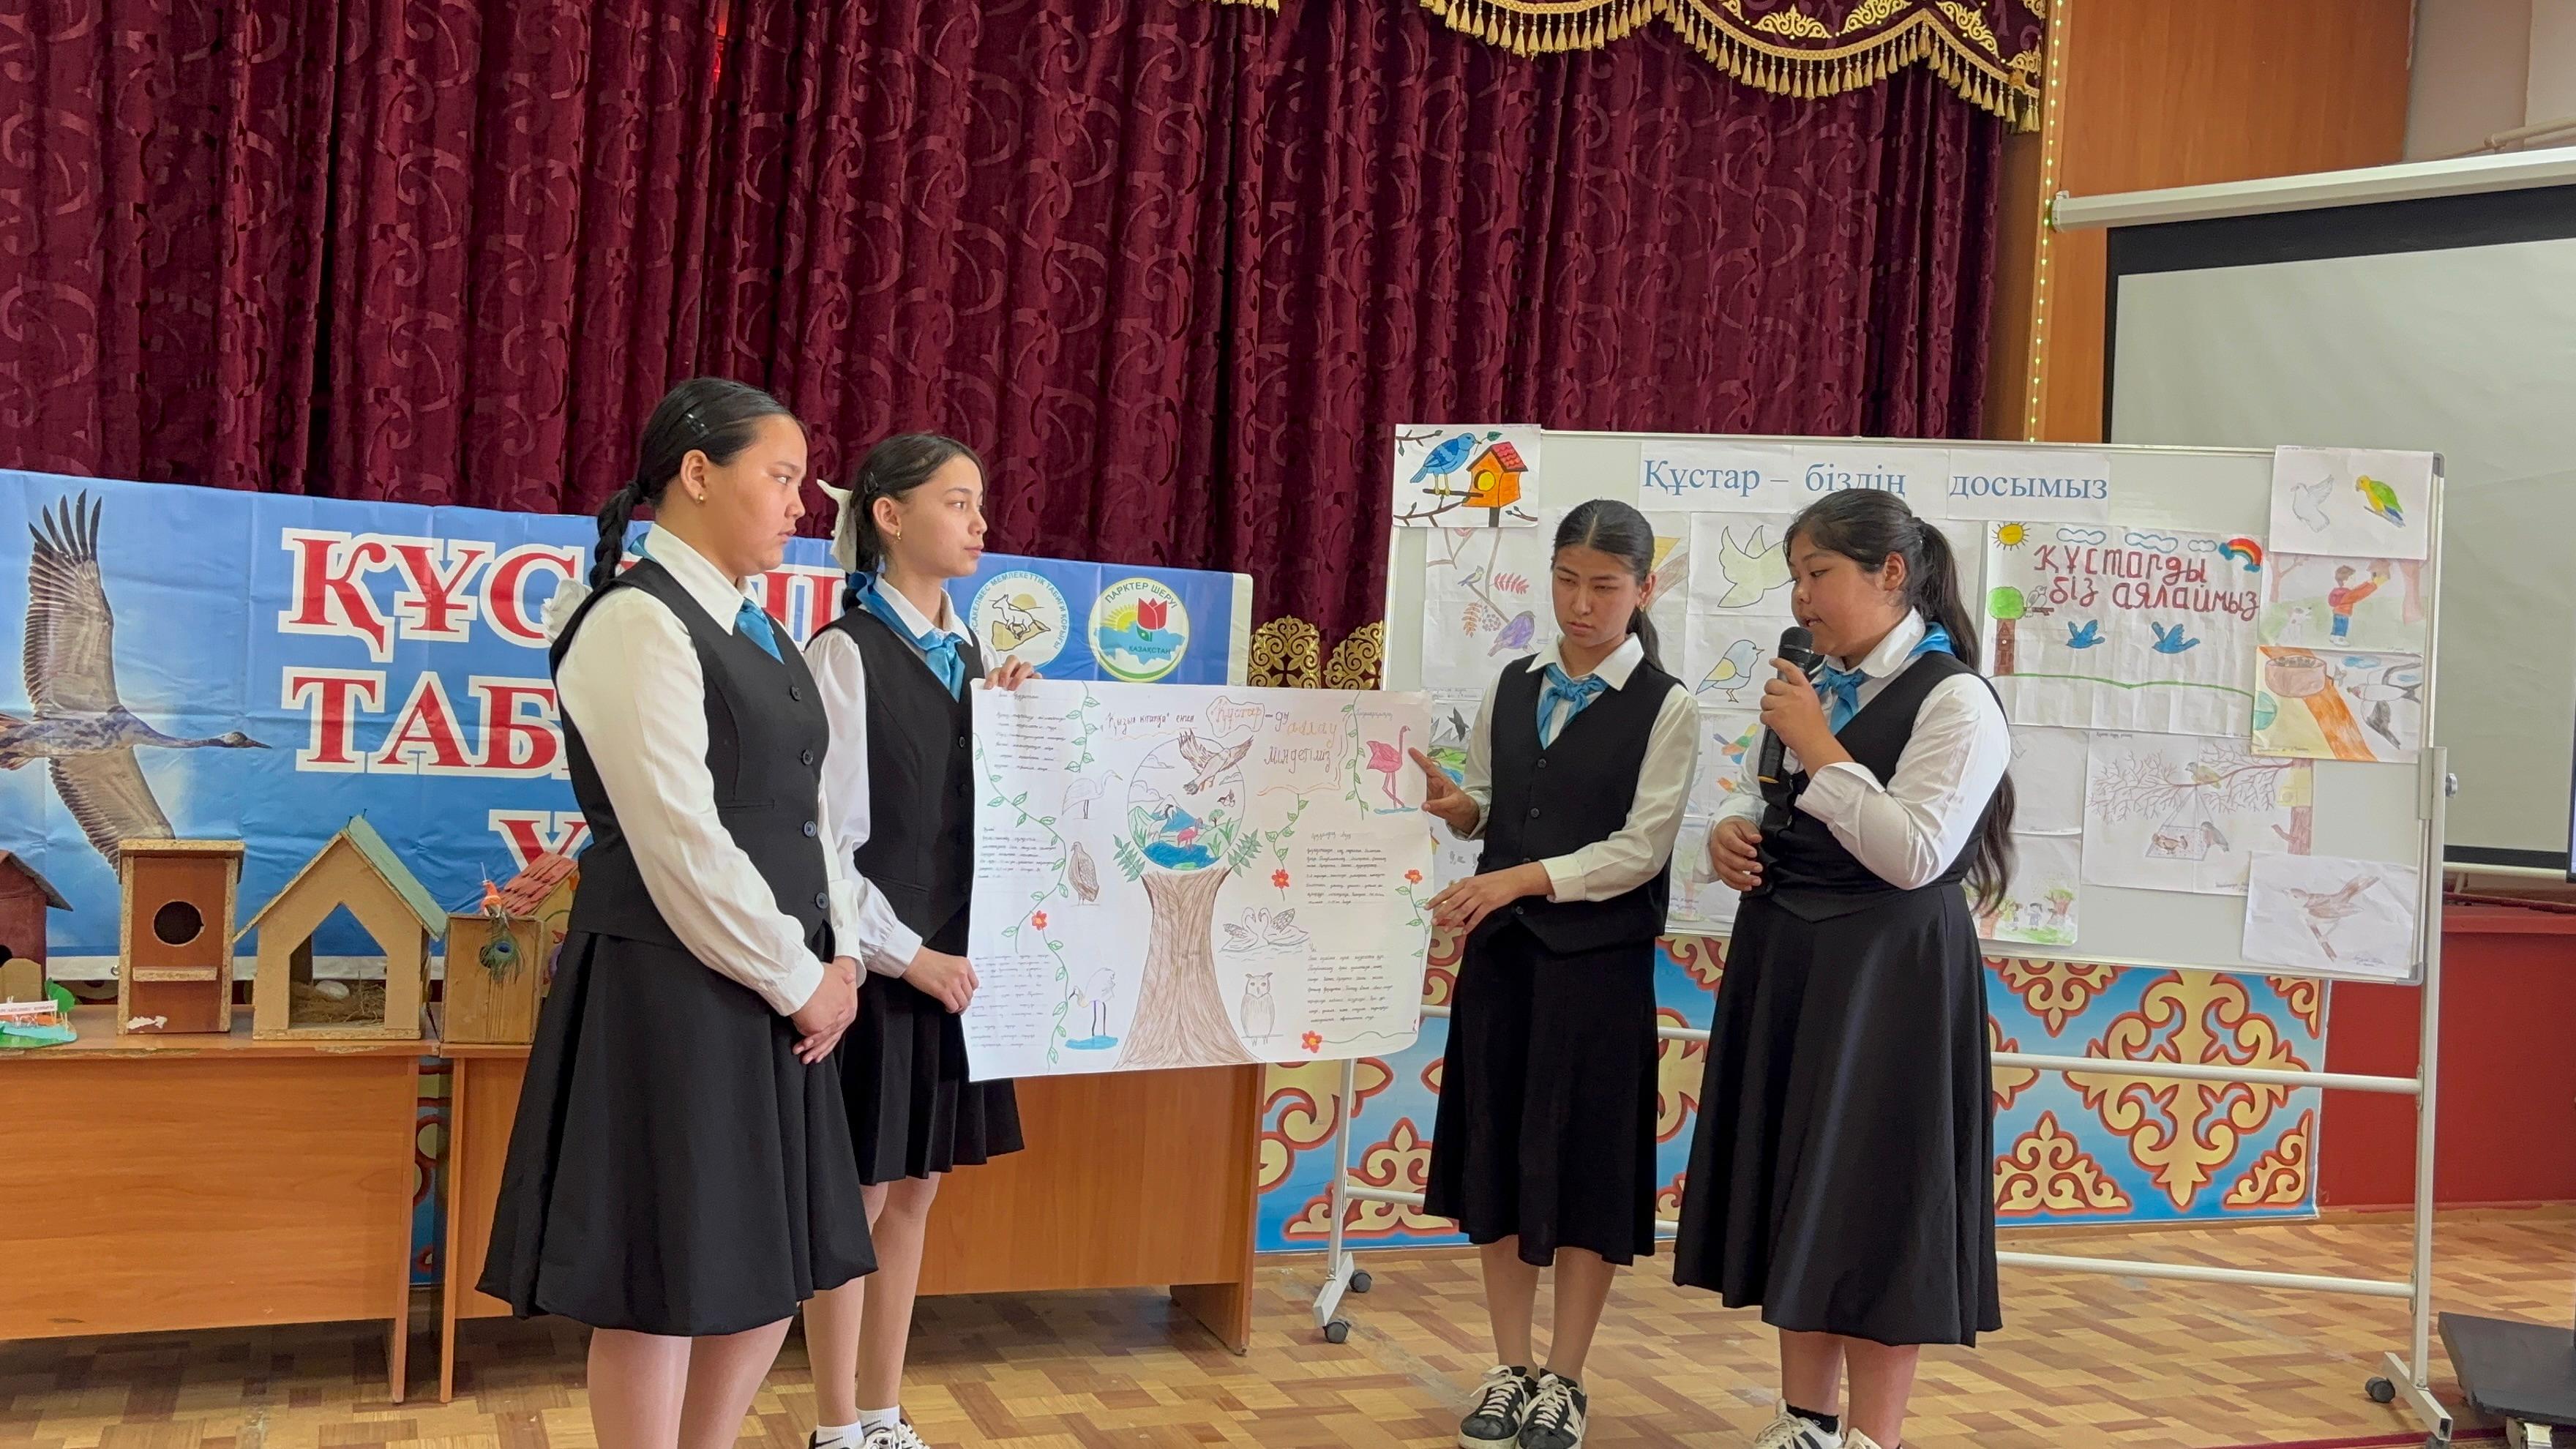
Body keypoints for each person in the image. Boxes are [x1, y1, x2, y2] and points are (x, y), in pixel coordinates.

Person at [479, 378, 876, 1449]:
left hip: (782, 992)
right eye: (782, 477)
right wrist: (800, 979)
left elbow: (810, 819)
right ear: (697, 475)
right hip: (674, 989)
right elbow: (678, 844)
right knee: (658, 1283)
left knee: (770, 1268)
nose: (801, 505)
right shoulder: (633, 621)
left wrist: (839, 960)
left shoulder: (763, 631)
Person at [1674, 488, 2016, 1449]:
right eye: (1795, 577)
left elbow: (1915, 853)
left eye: (1818, 574)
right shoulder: (1815, 679)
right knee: (1804, 1194)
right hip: (1792, 958)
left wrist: (1819, 745)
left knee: (1874, 1207)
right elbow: (1769, 797)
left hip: (1890, 980)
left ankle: (1874, 1437)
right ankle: (1806, 1423)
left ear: (1891, 573)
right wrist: (1731, 833)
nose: (1802, 598)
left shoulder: (1956, 700)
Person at [1411, 499, 1699, 1449]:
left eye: (1605, 587)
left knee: (1584, 1174)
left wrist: (1521, 879)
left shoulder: (1667, 706)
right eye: (1568, 581)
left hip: (1598, 973)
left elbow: (1641, 850)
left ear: (1643, 591)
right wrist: (1460, 810)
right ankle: (1509, 1367)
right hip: (1503, 966)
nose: (1581, 604)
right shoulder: (1515, 681)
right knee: (1498, 1164)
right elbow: (1496, 803)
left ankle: (1566, 1379)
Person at [801, 434, 1033, 1449]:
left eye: (980, 504)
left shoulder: (976, 660)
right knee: (856, 1196)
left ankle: (883, 1409)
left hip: (955, 969)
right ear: (889, 517)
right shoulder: (844, 653)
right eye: (958, 502)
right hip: (879, 971)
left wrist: (1022, 720)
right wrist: (907, 957)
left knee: (915, 1194)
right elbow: (826, 844)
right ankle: (834, 1425)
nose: (980, 523)